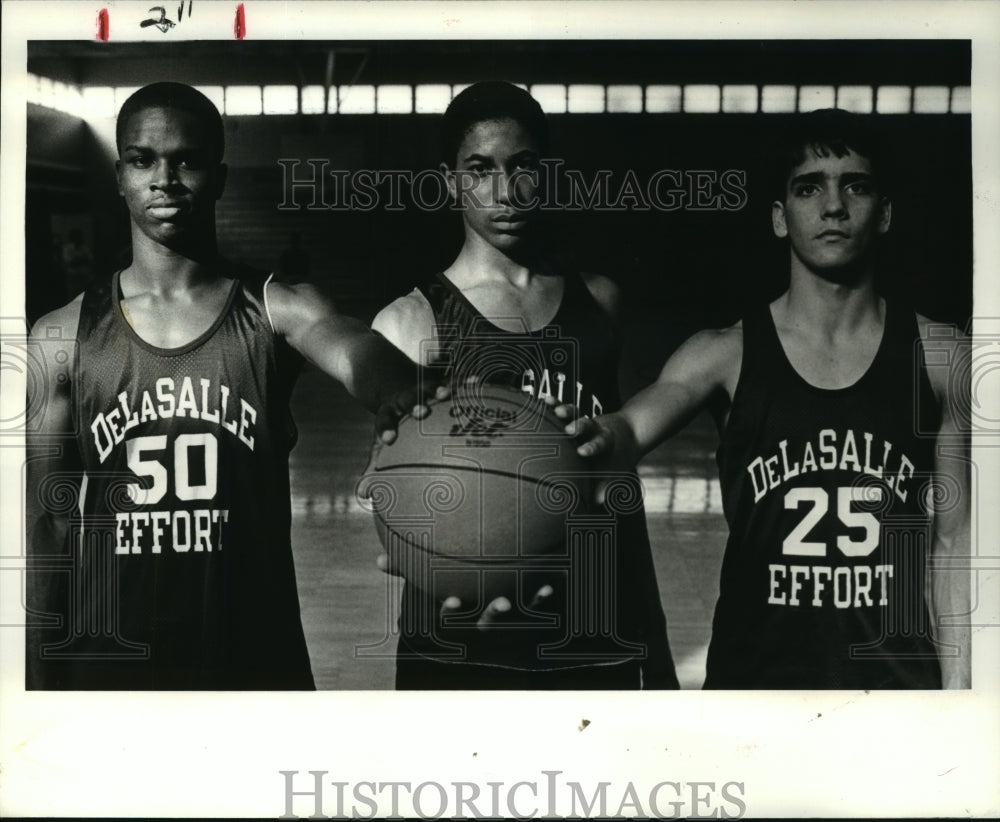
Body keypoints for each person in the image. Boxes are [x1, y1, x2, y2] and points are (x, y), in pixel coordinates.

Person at [25, 82, 420, 690]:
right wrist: (36, 683)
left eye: (187, 159)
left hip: (253, 656)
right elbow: (47, 526)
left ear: (221, 175)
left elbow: (355, 349)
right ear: (119, 175)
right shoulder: (61, 336)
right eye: (143, 159)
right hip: (113, 667)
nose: (165, 178)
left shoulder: (278, 309)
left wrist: (402, 397)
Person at [566, 109, 971, 689]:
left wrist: (959, 682)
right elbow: (632, 425)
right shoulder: (722, 354)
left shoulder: (939, 357)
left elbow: (957, 538)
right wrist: (603, 434)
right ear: (780, 219)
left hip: (895, 691)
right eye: (810, 188)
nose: (833, 206)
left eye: (854, 185)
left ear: (884, 213)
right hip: (755, 689)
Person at [370, 81, 678, 690]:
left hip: (594, 625)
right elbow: (401, 486)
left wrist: (655, 644)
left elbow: (618, 485)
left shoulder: (601, 302)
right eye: (480, 169)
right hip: (465, 635)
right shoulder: (408, 323)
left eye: (523, 168)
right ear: (450, 181)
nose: (506, 191)